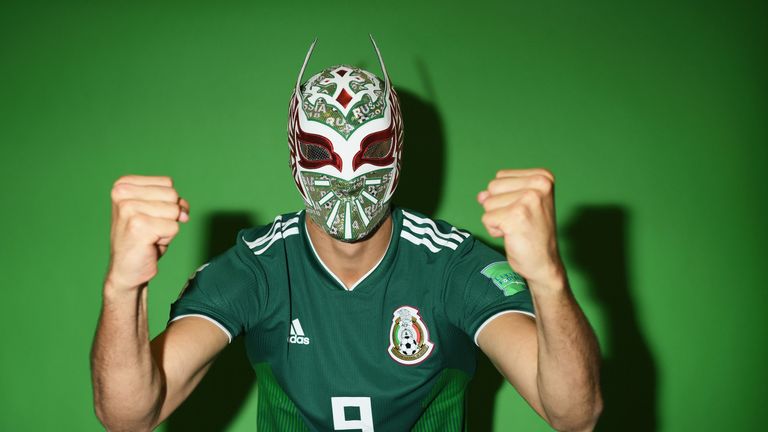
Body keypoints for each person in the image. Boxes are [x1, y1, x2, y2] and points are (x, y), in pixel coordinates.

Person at [91, 38, 602, 431]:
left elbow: (573, 415)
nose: (348, 172)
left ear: (398, 152)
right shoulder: (260, 268)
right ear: (296, 155)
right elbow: (129, 417)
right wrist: (123, 287)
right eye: (321, 152)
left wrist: (547, 280)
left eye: (371, 148)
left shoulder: (450, 267)